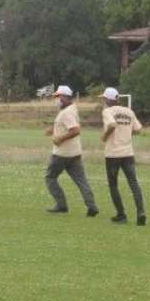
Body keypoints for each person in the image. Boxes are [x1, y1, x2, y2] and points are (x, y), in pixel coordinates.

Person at [44, 85, 99, 217]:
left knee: (50, 177)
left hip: (61, 153)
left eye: (58, 96)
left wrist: (59, 139)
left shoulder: (67, 112)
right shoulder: (71, 109)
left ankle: (61, 205)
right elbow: (66, 125)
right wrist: (54, 129)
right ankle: (92, 206)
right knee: (81, 180)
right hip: (75, 153)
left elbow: (75, 130)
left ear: (65, 97)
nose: (56, 99)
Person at [99, 87, 146, 226]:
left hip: (113, 153)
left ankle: (121, 214)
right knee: (133, 183)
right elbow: (138, 129)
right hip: (128, 153)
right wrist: (126, 134)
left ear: (108, 99)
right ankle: (141, 212)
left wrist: (104, 136)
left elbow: (112, 124)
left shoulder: (107, 111)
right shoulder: (129, 111)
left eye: (104, 98)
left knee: (113, 185)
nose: (103, 100)